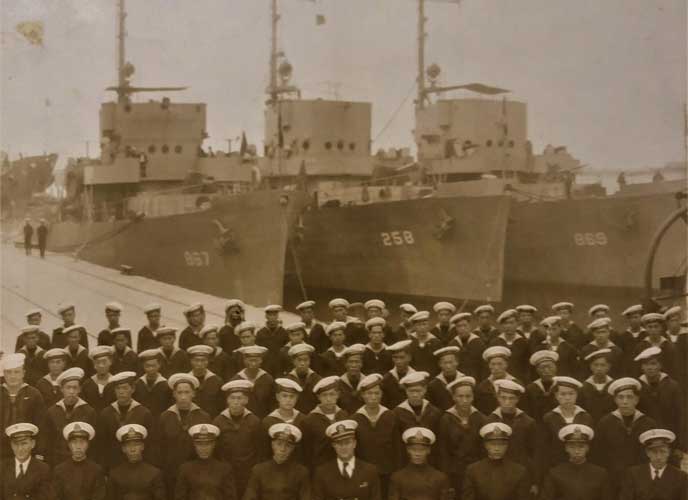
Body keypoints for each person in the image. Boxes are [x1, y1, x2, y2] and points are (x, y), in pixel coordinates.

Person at [593, 377, 657, 494]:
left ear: (636, 400)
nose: (625, 401)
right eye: (620, 397)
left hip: (641, 479)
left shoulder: (648, 423)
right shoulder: (605, 423)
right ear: (615, 400)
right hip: (613, 479)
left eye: (629, 397)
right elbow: (598, 454)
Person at [158, 373, 211, 496]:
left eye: (187, 392)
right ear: (174, 394)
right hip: (171, 471)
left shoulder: (203, 416)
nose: (183, 397)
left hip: (196, 473)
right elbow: (159, 447)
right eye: (179, 392)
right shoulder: (165, 417)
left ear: (193, 393)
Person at [352, 373, 401, 497]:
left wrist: (396, 471)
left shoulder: (390, 416)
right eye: (369, 393)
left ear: (381, 394)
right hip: (364, 472)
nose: (373, 397)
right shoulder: (355, 419)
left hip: (387, 471)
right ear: (362, 395)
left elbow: (397, 447)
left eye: (377, 393)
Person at [485, 379, 537, 494]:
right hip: (495, 472)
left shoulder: (528, 422)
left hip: (520, 473)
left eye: (511, 398)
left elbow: (534, 453)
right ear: (497, 397)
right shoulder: (489, 420)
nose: (507, 402)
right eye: (503, 397)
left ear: (518, 399)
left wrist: (533, 481)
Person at [96, 371, 154, 470]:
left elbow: (150, 444)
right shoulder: (106, 413)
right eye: (118, 388)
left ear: (133, 389)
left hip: (137, 464)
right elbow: (102, 445)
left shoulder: (144, 413)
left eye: (125, 388)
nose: (121, 392)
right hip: (113, 464)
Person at [213, 379, 262, 499]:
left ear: (246, 400)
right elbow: (215, 451)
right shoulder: (218, 421)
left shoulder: (254, 421)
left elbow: (259, 450)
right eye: (232, 398)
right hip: (225, 472)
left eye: (239, 398)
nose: (235, 402)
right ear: (227, 400)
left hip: (248, 472)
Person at [438, 376, 486, 496]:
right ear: (454, 397)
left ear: (473, 397)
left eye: (468, 396)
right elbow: (443, 451)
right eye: (460, 396)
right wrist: (446, 477)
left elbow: (484, 449)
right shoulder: (446, 419)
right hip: (455, 472)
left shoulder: (481, 418)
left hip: (477, 472)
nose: (464, 400)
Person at [538, 376, 593, 481]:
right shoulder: (549, 418)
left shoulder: (586, 417)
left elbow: (591, 446)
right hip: (556, 468)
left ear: (577, 395)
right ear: (556, 396)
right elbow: (542, 450)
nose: (567, 398)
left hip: (581, 469)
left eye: (571, 393)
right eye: (563, 394)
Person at [312, 419, 381, 500]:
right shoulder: (321, 473)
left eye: (347, 442)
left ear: (354, 443)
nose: (343, 447)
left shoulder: (370, 471)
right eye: (339, 443)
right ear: (334, 445)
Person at [40, 367, 96, 467]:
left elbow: (94, 443)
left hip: (82, 462)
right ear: (61, 389)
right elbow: (47, 442)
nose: (71, 391)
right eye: (68, 387)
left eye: (75, 388)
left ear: (79, 389)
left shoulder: (89, 411)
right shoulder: (52, 411)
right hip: (57, 463)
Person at [540, 424, 611, 500]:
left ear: (587, 448)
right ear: (566, 448)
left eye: (581, 447)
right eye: (572, 447)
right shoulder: (555, 473)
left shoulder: (600, 474)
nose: (577, 451)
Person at [461, 422, 529, 500]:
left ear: (507, 446)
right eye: (493, 444)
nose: (497, 448)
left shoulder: (519, 471)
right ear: (485, 445)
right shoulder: (472, 470)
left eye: (501, 444)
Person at [243, 422, 311, 500]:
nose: (283, 449)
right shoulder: (258, 470)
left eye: (288, 446)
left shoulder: (301, 472)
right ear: (272, 445)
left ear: (293, 449)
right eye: (279, 444)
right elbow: (249, 497)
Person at [634, 346, 684, 448]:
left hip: (669, 436)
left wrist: (680, 444)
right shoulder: (637, 387)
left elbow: (681, 415)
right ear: (641, 367)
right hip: (645, 436)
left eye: (653, 363)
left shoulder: (672, 386)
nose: (650, 367)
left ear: (660, 365)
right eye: (646, 364)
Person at [1, 353, 46, 461]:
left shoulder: (34, 394)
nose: (12, 376)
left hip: (26, 450)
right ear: (4, 374)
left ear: (23, 373)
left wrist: (39, 452)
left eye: (17, 372)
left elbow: (42, 425)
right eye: (9, 372)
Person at [620, 428, 688, 500]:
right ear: (647, 453)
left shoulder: (681, 477)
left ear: (669, 452)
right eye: (654, 452)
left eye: (663, 451)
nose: (658, 457)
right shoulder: (633, 474)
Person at [174, 423, 237, 499]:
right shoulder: (185, 469)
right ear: (194, 445)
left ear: (214, 444)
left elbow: (231, 498)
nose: (203, 448)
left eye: (207, 444)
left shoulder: (225, 469)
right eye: (199, 444)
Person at [389, 427, 451, 500]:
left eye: (422, 450)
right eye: (413, 449)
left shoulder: (440, 478)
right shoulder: (397, 478)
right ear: (408, 450)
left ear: (428, 450)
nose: (417, 454)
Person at [108, 424, 166, 500]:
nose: (133, 449)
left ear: (142, 447)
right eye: (128, 445)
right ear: (123, 449)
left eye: (136, 445)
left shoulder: (154, 473)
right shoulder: (115, 474)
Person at [302, 375, 349, 468]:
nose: (328, 399)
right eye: (324, 395)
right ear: (318, 397)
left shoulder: (344, 415)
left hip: (342, 466)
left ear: (338, 395)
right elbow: (307, 451)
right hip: (320, 468)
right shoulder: (309, 420)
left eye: (332, 394)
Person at [53, 421, 107, 500]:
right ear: (69, 445)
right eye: (74, 442)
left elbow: (99, 496)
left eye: (82, 442)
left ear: (88, 444)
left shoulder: (96, 470)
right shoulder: (59, 470)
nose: (78, 447)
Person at [1, 423, 53, 500]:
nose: (20, 449)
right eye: (16, 444)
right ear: (11, 445)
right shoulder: (2, 467)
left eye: (24, 443)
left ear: (32, 444)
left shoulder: (43, 469)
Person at [261, 378, 307, 462]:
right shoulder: (268, 421)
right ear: (277, 397)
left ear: (296, 398)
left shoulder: (303, 420)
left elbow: (306, 450)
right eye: (284, 396)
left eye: (292, 396)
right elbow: (264, 451)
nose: (288, 400)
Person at [393, 371, 442, 439]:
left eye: (418, 391)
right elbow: (396, 439)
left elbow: (439, 438)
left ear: (425, 390)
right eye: (411, 391)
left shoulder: (434, 412)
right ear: (406, 391)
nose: (415, 395)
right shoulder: (397, 413)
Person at [474, 346, 521, 415]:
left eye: (500, 364)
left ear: (506, 365)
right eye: (493, 364)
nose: (496, 368)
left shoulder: (516, 384)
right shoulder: (482, 386)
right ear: (489, 366)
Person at [231, 345, 274, 418]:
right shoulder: (237, 379)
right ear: (244, 361)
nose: (253, 363)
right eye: (250, 360)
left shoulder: (268, 379)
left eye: (256, 360)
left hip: (263, 417)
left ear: (261, 360)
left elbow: (272, 402)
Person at [489, 309, 529, 382]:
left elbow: (527, 367)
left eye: (511, 323)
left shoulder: (524, 343)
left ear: (517, 324)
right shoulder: (495, 342)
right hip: (499, 381)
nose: (508, 326)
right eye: (505, 323)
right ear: (501, 325)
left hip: (518, 381)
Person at [578, 348, 615, 423]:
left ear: (608, 367)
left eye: (603, 365)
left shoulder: (614, 386)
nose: (599, 368)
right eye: (596, 365)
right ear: (591, 367)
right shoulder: (583, 387)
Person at [447, 312, 486, 380]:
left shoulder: (479, 343)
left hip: (475, 379)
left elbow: (484, 366)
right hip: (457, 380)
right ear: (456, 328)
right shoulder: (452, 344)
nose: (462, 328)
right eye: (459, 326)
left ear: (470, 326)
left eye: (465, 325)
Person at [133, 349, 172, 418]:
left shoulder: (166, 385)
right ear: (143, 366)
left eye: (153, 366)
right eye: (147, 366)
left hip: (160, 420)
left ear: (159, 365)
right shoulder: (137, 384)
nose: (150, 369)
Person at [187, 345, 223, 417]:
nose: (199, 364)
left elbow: (221, 405)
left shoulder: (217, 381)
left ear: (208, 361)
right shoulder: (186, 380)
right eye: (196, 360)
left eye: (203, 360)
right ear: (191, 361)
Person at [285, 343, 321, 414]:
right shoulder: (287, 380)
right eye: (299, 360)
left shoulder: (317, 379)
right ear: (293, 361)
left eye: (306, 360)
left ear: (310, 361)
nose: (302, 363)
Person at [523, 350, 559, 422]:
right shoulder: (530, 389)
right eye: (542, 368)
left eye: (550, 367)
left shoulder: (562, 386)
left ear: (555, 368)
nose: (546, 370)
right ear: (537, 370)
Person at [427, 346, 464, 410]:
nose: (448, 366)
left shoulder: (464, 380)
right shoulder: (433, 385)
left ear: (457, 362)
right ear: (439, 364)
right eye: (445, 363)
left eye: (451, 362)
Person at [81, 346, 116, 413]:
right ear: (94, 365)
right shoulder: (87, 385)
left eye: (104, 362)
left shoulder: (116, 383)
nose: (101, 365)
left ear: (110, 362)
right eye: (98, 362)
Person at [256, 305, 289, 377]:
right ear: (266, 317)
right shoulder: (260, 333)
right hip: (265, 368)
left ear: (277, 316)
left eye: (274, 315)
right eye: (270, 315)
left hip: (280, 368)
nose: (272, 318)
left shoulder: (284, 332)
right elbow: (258, 352)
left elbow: (286, 351)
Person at [381, 340, 415, 409]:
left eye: (402, 357)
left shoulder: (416, 377)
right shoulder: (387, 379)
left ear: (409, 358)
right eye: (395, 357)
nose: (398, 361)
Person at [408, 311, 443, 376]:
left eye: (424, 324)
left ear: (428, 325)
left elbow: (439, 362)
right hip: (413, 376)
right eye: (419, 325)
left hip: (432, 376)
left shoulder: (436, 342)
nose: (422, 327)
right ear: (414, 327)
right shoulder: (409, 341)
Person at [617, 304, 647, 375]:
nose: (634, 320)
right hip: (628, 371)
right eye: (631, 318)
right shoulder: (622, 337)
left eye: (636, 317)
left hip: (644, 370)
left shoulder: (646, 335)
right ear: (628, 320)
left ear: (641, 318)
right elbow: (621, 358)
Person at [338, 344, 366, 413]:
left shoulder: (367, 383)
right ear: (345, 364)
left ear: (362, 364)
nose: (354, 365)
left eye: (357, 362)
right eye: (350, 362)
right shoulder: (338, 384)